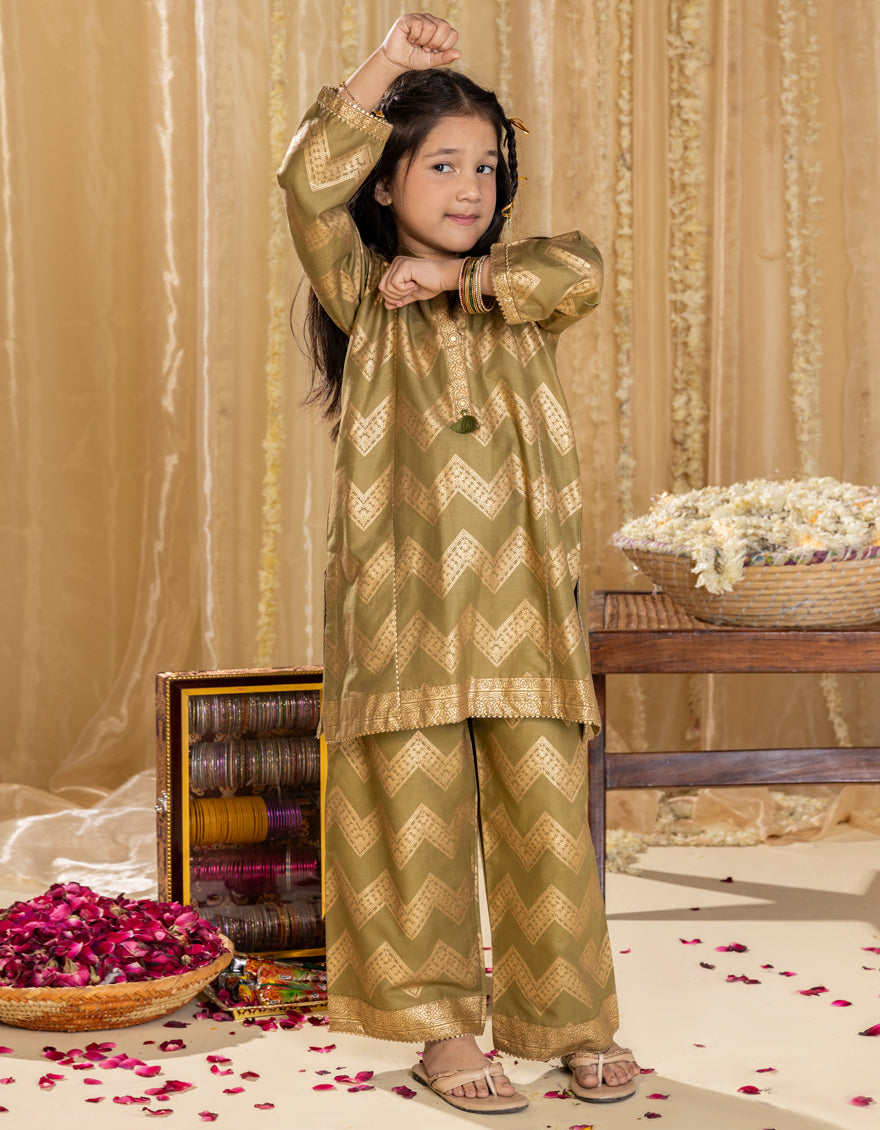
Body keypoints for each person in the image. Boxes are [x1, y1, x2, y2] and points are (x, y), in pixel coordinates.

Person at [277, 12, 639, 1116]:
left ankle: (569, 1021)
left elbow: (577, 269)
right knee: (410, 818)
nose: (470, 185)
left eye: (485, 165)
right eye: (441, 164)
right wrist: (389, 62)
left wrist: (455, 282)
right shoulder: (363, 293)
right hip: (406, 611)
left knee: (546, 820)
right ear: (386, 185)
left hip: (523, 609)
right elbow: (305, 184)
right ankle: (437, 1026)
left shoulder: (518, 294)